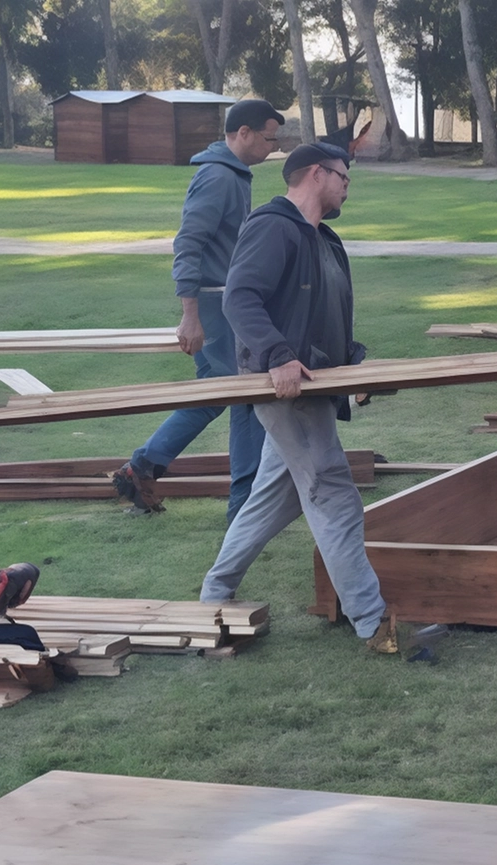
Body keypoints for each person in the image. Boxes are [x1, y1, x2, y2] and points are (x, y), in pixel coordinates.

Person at [198, 142, 397, 654]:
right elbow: (240, 297)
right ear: (315, 174)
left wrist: (355, 368)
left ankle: (214, 592)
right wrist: (278, 355)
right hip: (288, 389)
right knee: (334, 494)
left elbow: (330, 319)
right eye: (343, 176)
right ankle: (373, 624)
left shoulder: (324, 241)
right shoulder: (272, 225)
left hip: (316, 387)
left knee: (273, 498)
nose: (348, 185)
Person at [110, 98, 284, 521]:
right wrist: (191, 314)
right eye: (269, 138)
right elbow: (188, 243)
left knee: (213, 394)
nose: (274, 148)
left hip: (225, 300)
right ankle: (245, 508)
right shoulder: (219, 177)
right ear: (242, 133)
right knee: (244, 394)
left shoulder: (234, 174)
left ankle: (143, 467)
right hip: (213, 301)